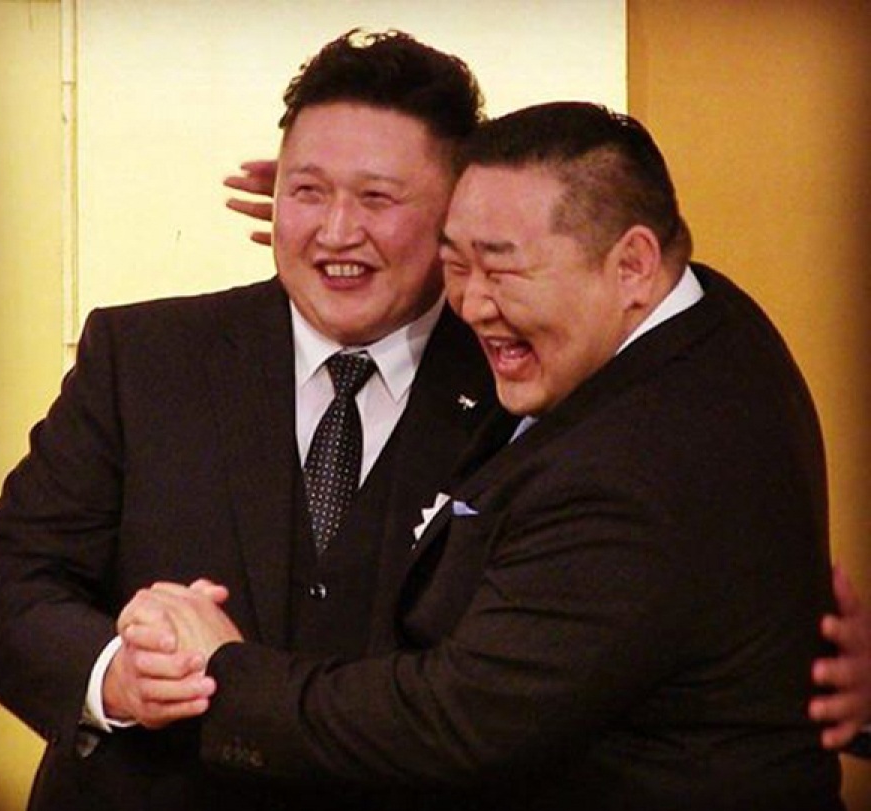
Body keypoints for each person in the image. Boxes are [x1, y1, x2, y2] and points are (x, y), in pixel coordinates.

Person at [117, 102, 846, 810]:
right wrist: (357, 225)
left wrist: (227, 674)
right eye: (455, 262)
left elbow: (452, 724)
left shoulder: (636, 470)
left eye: (501, 269)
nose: (470, 304)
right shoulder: (703, 311)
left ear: (633, 264)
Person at [0, 30, 496, 811]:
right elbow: (3, 583)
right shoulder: (142, 355)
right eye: (307, 191)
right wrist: (114, 674)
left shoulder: (516, 382)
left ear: (457, 214)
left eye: (377, 198)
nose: (336, 232)